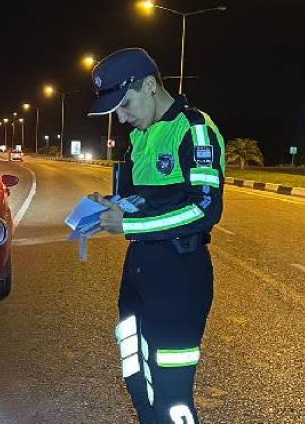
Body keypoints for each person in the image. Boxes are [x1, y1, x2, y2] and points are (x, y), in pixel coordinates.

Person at [86, 47, 225, 424]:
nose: (121, 117)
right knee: (135, 370)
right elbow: (141, 200)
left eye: (125, 104)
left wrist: (129, 226)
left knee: (171, 396)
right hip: (141, 269)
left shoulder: (194, 129)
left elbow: (204, 208)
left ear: (149, 86)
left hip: (180, 274)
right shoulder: (141, 138)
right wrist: (111, 205)